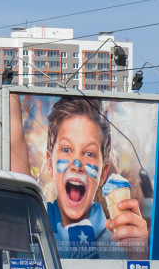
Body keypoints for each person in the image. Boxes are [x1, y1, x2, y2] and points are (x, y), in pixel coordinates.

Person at [43, 97, 148, 260]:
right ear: (50, 163)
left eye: (89, 153)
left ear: (103, 173)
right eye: (66, 149)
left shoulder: (116, 244)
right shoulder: (33, 228)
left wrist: (136, 258)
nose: (76, 164)